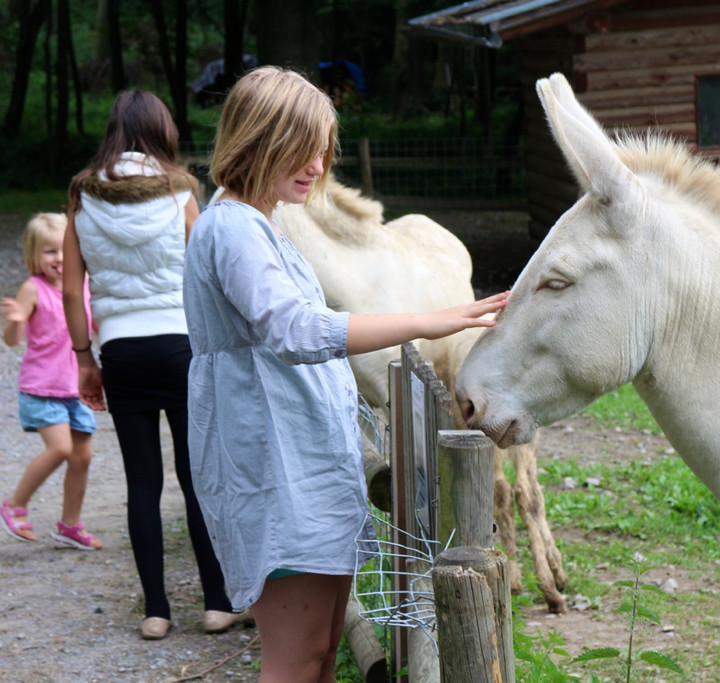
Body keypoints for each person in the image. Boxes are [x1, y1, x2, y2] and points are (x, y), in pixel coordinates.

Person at [183, 65, 508, 683]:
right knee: (296, 659)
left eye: (324, 150)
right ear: (258, 140)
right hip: (277, 471)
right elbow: (296, 329)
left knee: (324, 647)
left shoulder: (257, 222)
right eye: (303, 149)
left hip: (298, 466)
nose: (318, 165)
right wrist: (427, 321)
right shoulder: (234, 229)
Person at [62, 90, 240, 641]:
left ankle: (156, 611)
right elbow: (206, 272)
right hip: (180, 347)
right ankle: (216, 603)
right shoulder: (181, 190)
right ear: (162, 130)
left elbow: (72, 289)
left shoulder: (81, 194)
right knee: (196, 478)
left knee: (142, 482)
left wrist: (84, 358)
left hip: (120, 350)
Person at [1, 213, 102, 550]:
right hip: (42, 388)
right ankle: (14, 504)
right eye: (48, 252)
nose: (58, 258)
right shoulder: (33, 289)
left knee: (82, 457)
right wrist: (15, 321)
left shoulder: (85, 287)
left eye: (63, 250)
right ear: (33, 255)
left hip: (76, 388)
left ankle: (70, 525)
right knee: (60, 448)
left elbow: (98, 326)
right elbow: (12, 340)